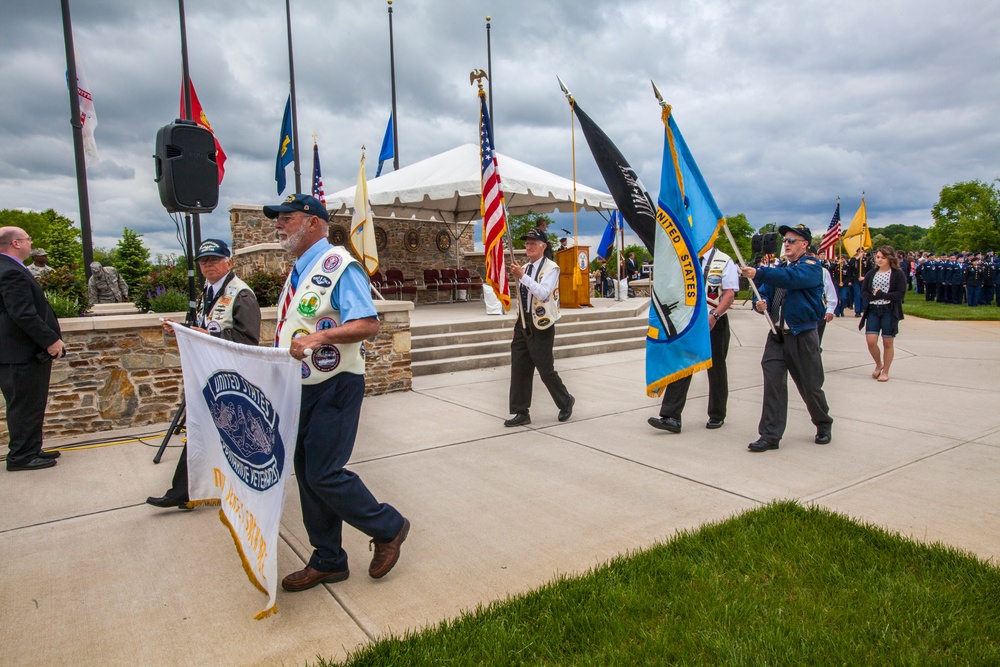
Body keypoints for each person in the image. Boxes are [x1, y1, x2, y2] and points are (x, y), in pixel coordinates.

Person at [264, 193, 409, 590]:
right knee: (308, 475)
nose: (278, 225)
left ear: (313, 223)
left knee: (324, 472)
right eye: (278, 219)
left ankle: (388, 526)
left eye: (287, 218)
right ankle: (328, 558)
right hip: (302, 386)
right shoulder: (298, 271)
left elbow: (368, 324)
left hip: (335, 383)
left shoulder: (341, 265)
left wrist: (317, 338)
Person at [146, 238, 262, 509]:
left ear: (228, 262)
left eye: (214, 259)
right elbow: (204, 325)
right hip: (209, 373)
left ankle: (184, 492)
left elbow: (249, 340)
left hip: (231, 378)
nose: (208, 264)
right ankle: (188, 491)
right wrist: (182, 329)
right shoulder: (207, 293)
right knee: (212, 433)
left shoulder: (241, 294)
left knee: (218, 432)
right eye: (203, 261)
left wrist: (209, 335)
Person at [741, 223, 833, 452]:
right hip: (777, 335)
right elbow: (764, 289)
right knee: (773, 383)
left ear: (805, 244)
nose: (787, 244)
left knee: (810, 386)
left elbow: (790, 279)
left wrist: (761, 272)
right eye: (785, 241)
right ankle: (770, 435)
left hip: (802, 335)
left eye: (792, 240)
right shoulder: (781, 268)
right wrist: (759, 302)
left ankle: (823, 422)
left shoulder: (811, 267)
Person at [648, 243, 738, 433]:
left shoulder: (724, 261)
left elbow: (729, 294)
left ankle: (717, 414)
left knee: (716, 369)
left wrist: (715, 316)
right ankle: (671, 417)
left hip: (714, 321)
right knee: (682, 365)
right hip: (689, 323)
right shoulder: (686, 258)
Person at [0, 227, 66, 471]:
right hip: (19, 353)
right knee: (25, 405)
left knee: (31, 403)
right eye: (28, 239)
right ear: (16, 243)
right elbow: (22, 313)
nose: (31, 242)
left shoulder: (9, 268)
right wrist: (50, 340)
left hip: (19, 353)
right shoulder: (9, 272)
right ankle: (21, 456)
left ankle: (31, 448)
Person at [504, 228, 575, 427]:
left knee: (545, 370)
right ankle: (520, 411)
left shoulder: (551, 268)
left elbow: (543, 293)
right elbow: (522, 298)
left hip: (542, 325)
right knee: (519, 368)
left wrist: (522, 276)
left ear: (543, 246)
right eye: (527, 243)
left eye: (533, 243)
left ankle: (565, 400)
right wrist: (518, 322)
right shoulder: (525, 267)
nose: (529, 247)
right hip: (524, 323)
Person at [859, 246, 906, 382]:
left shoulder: (897, 274)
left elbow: (900, 293)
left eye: (883, 258)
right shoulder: (871, 274)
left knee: (887, 342)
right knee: (871, 341)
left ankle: (885, 371)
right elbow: (864, 291)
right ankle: (879, 364)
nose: (879, 260)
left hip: (889, 310)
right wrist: (872, 297)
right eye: (878, 257)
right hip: (873, 309)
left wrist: (883, 295)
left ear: (890, 259)